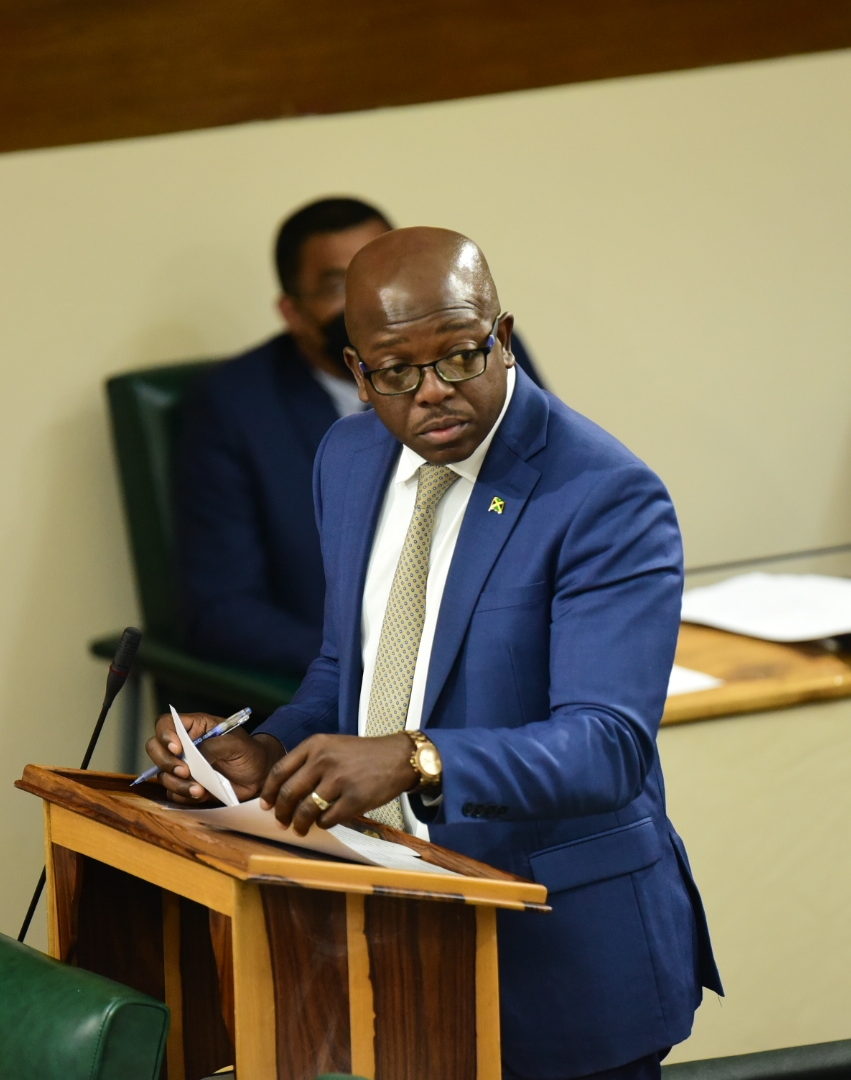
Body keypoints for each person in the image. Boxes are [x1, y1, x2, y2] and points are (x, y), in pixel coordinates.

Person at [148, 227, 719, 1080]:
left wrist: (416, 759)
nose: (433, 395)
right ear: (356, 371)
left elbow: (609, 745)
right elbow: (351, 667)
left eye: (460, 357)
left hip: (553, 957)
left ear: (503, 337)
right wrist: (269, 748)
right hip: (381, 934)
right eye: (396, 372)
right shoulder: (347, 458)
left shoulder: (603, 496)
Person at [173, 197, 542, 678]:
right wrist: (373, 660)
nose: (372, 300)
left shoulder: (481, 354)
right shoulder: (232, 408)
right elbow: (222, 611)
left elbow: (546, 501)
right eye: (337, 286)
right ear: (294, 312)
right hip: (351, 686)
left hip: (506, 659)